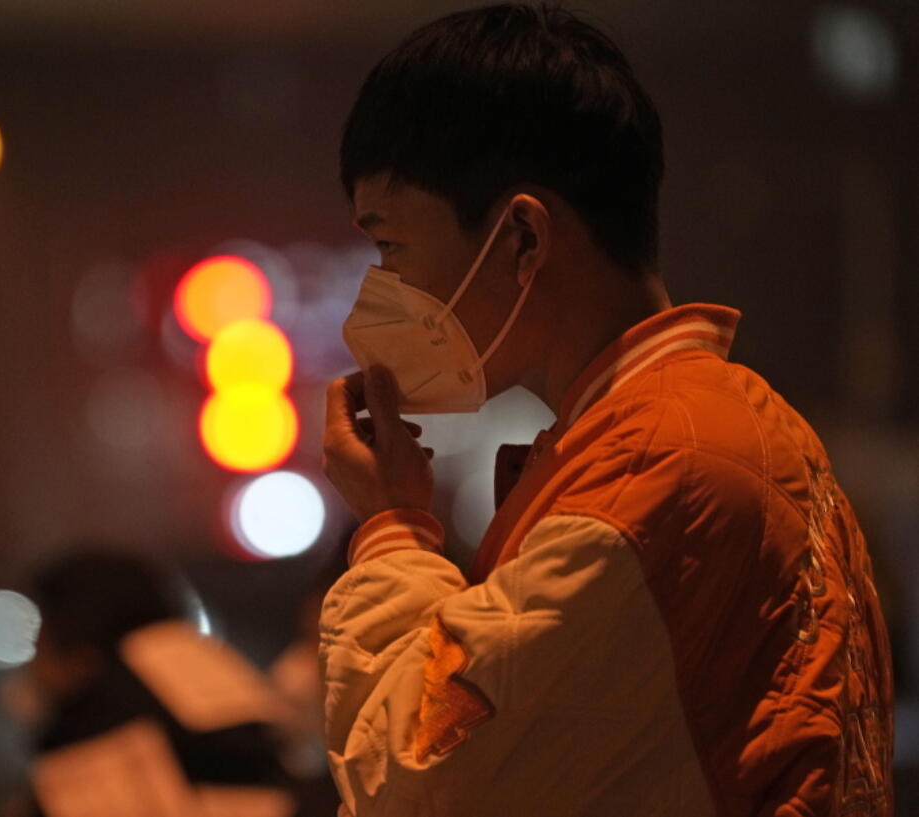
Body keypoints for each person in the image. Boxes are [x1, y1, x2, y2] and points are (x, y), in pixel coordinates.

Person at [320, 5, 894, 817]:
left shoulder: (655, 470)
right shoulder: (693, 428)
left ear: (522, 238)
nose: (379, 293)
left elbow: (411, 778)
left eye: (392, 250)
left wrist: (390, 531)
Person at [8, 549, 294, 817]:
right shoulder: (213, 666)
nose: (33, 664)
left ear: (80, 660)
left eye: (39, 643)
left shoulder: (93, 723)